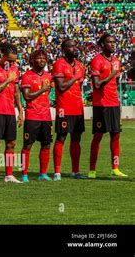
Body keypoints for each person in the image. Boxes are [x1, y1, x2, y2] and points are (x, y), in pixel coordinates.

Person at [89, 34, 127, 178]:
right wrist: (111, 74)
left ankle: (115, 168)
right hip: (101, 105)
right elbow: (97, 85)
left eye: (113, 42)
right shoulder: (96, 61)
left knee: (116, 135)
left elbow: (115, 83)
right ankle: (92, 170)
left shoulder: (116, 61)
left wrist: (113, 76)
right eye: (109, 42)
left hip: (114, 103)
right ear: (102, 44)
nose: (112, 44)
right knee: (98, 136)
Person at [0, 42, 24, 184]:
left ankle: (8, 174)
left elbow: (16, 91)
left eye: (14, 60)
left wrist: (20, 110)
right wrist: (8, 79)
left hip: (10, 111)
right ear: (2, 56)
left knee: (11, 143)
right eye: (9, 60)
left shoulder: (15, 69)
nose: (12, 63)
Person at [51, 39, 87, 181]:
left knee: (76, 138)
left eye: (75, 46)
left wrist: (77, 77)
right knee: (61, 137)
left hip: (78, 107)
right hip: (64, 108)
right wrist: (74, 77)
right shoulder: (59, 64)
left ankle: (75, 171)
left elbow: (80, 83)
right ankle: (57, 172)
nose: (74, 48)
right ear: (64, 50)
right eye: (71, 46)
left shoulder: (80, 66)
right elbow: (61, 87)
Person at [19, 50, 52, 182]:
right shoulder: (27, 76)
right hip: (32, 116)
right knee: (28, 145)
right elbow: (27, 97)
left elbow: (47, 94)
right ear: (32, 60)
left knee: (46, 144)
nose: (42, 60)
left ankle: (43, 173)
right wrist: (42, 90)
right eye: (39, 58)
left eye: (44, 58)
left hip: (46, 116)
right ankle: (24, 174)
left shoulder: (48, 76)